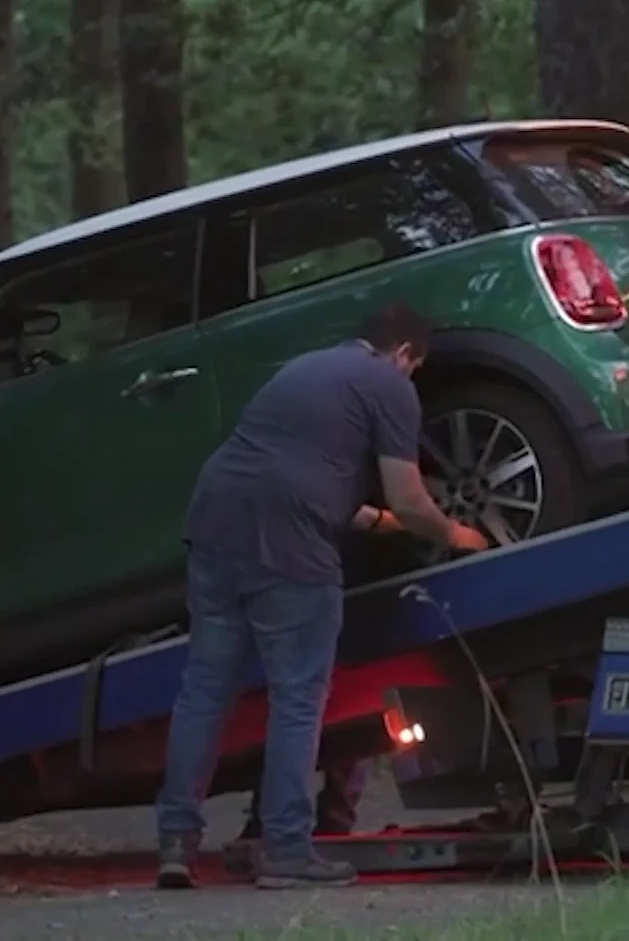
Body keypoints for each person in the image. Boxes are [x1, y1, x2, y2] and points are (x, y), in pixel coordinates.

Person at [155, 302, 489, 890]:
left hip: (215, 516)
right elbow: (411, 500)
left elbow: (295, 472)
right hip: (290, 546)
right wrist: (457, 535)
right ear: (407, 354)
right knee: (298, 698)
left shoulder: (305, 370)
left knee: (205, 691)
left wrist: (378, 522)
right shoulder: (390, 383)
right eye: (414, 368)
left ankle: (176, 843)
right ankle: (286, 850)